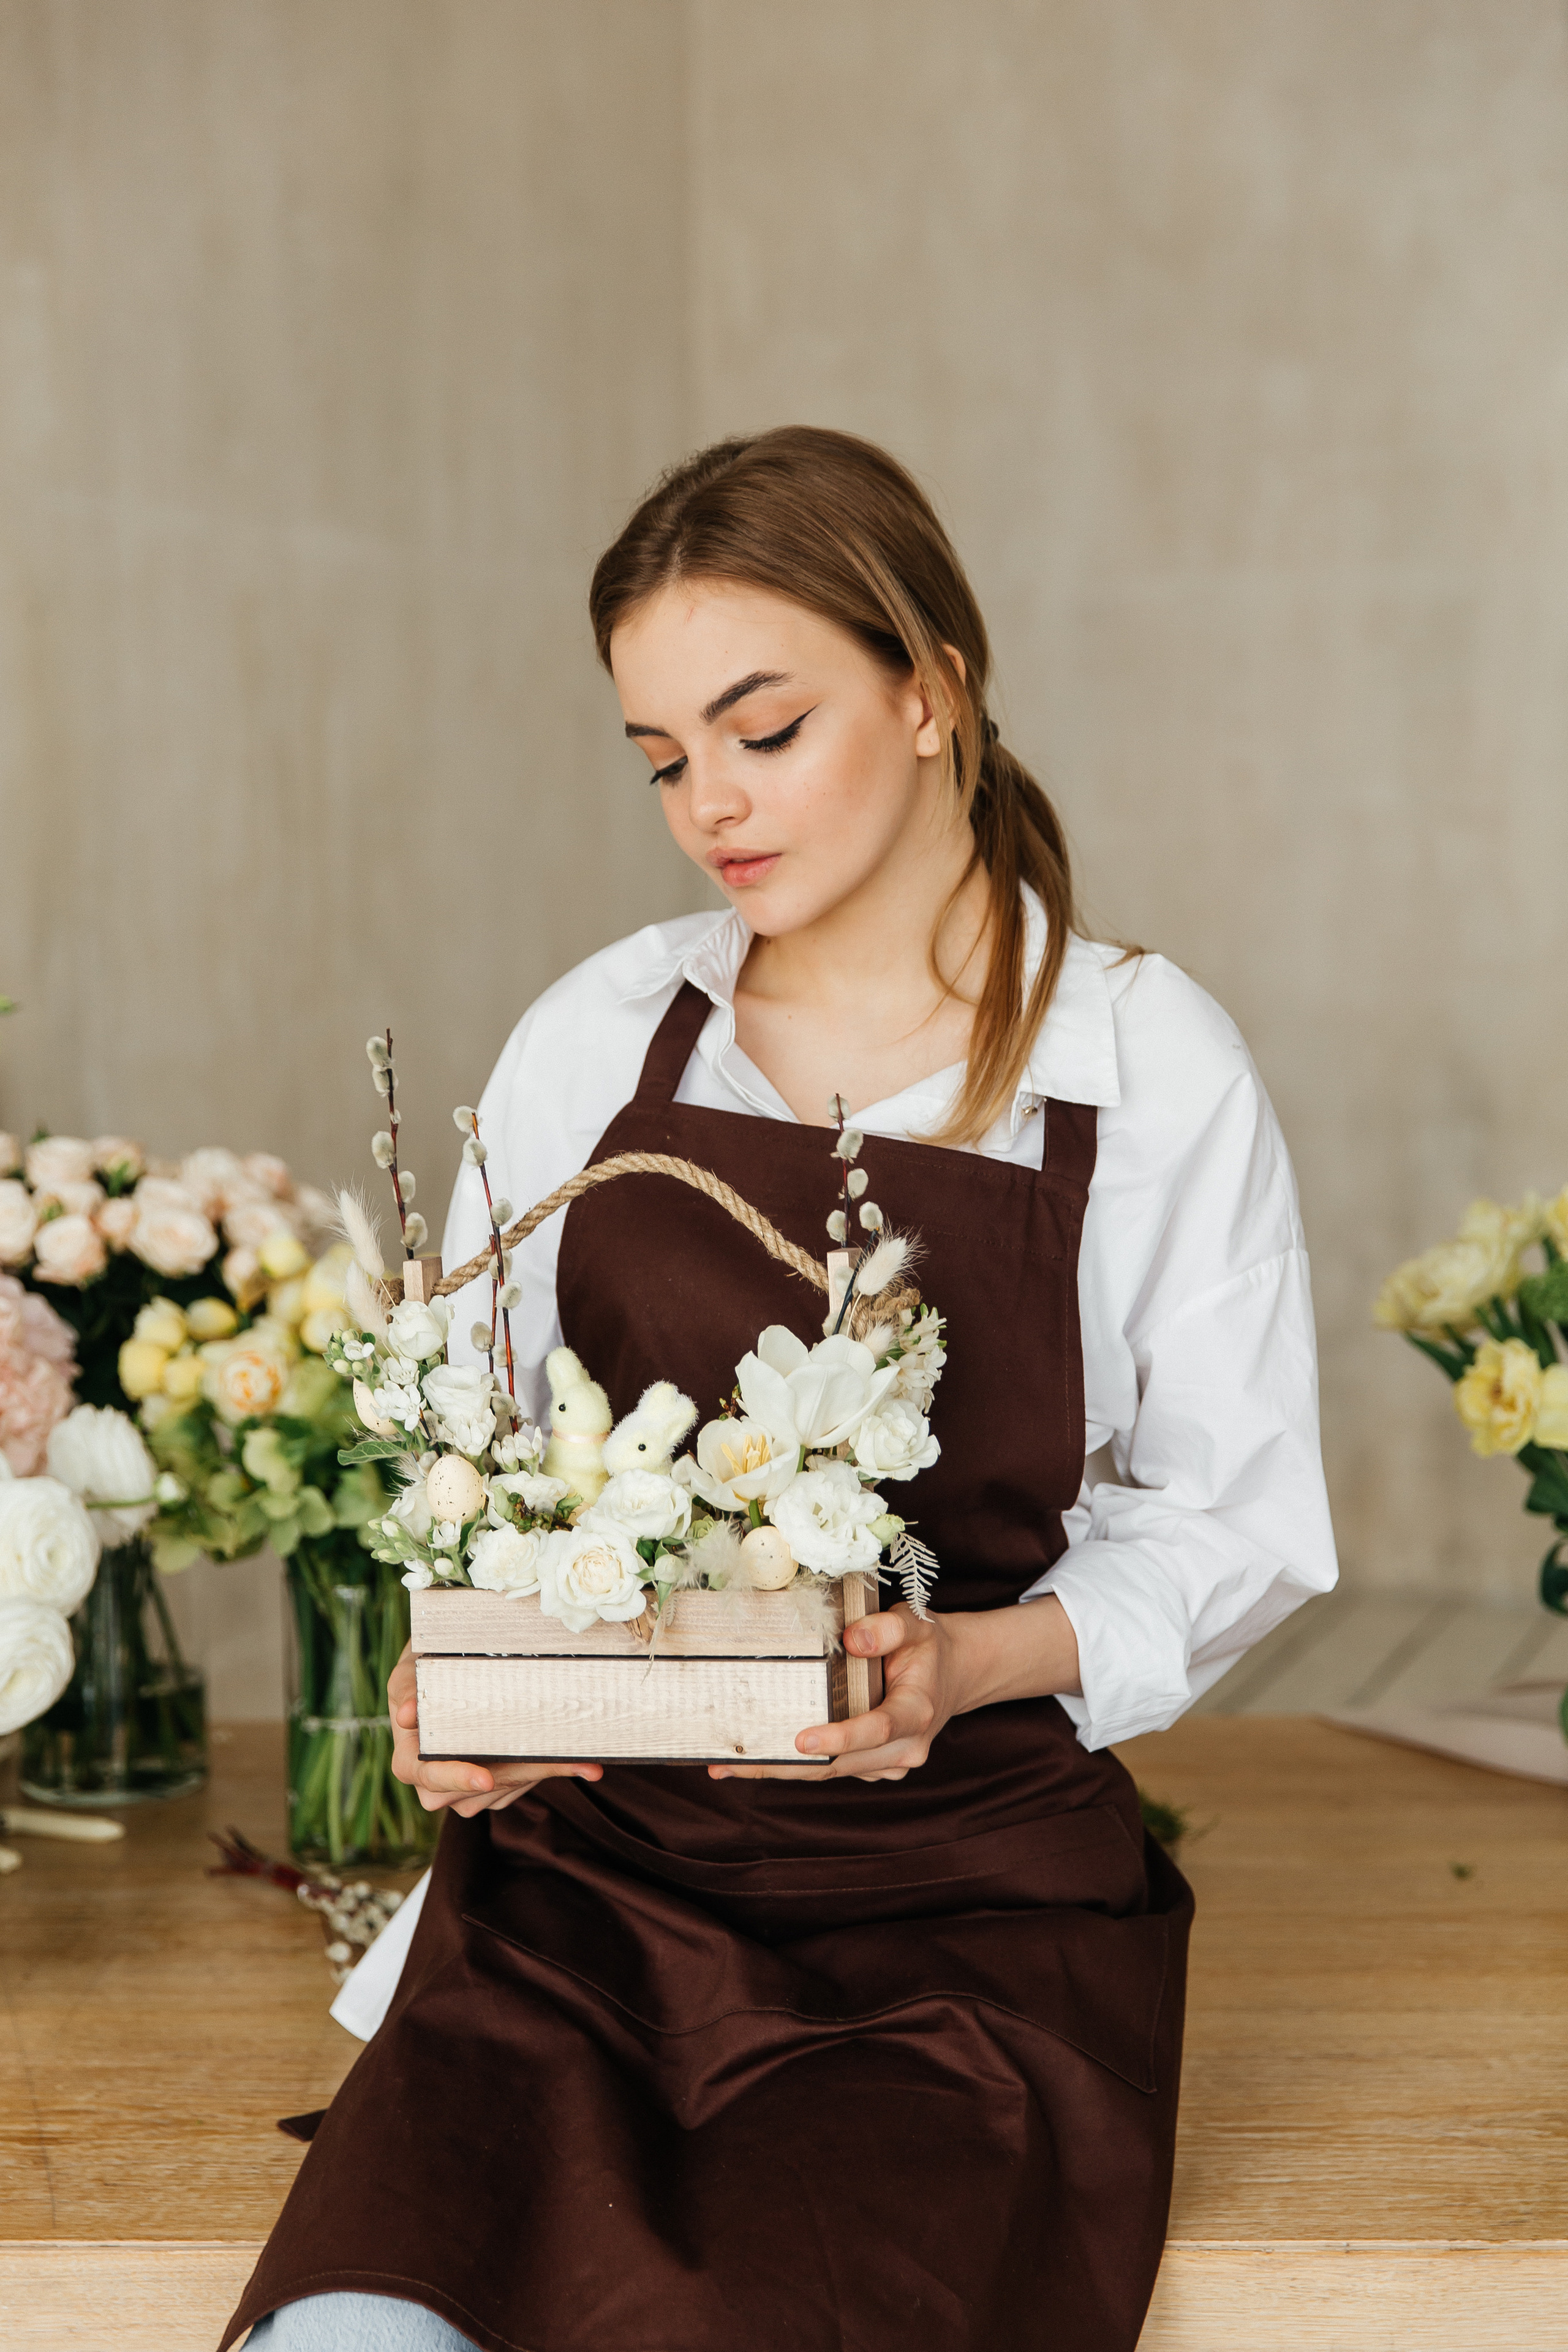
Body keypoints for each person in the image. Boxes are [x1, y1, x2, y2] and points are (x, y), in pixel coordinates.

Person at [226, 427, 1336, 2352]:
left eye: (764, 729)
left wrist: (955, 1666)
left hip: (964, 1917)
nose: (711, 806)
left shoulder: (1144, 1064)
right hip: (588, 1894)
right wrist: (471, 1694)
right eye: (664, 758)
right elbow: (480, 1455)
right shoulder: (602, 1035)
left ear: (932, 689)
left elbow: (1233, 1517)